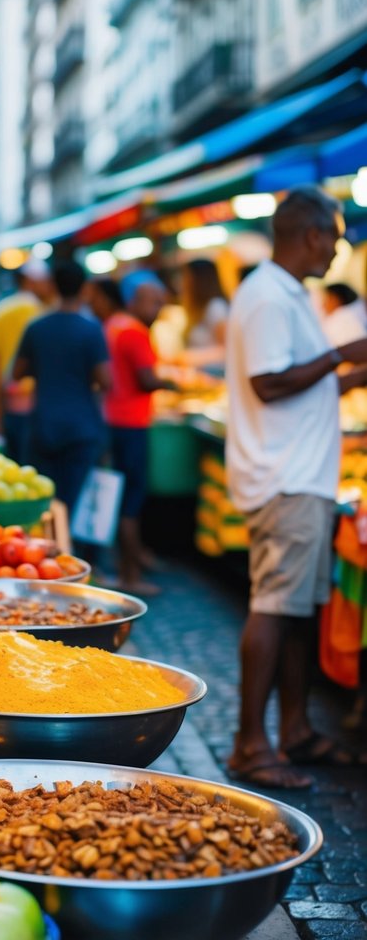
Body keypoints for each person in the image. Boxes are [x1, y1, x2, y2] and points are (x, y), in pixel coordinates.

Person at [225, 186, 367, 789]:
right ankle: (250, 745)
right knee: (274, 609)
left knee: (296, 615)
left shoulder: (289, 295)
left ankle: (295, 731)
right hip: (283, 479)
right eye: (333, 239)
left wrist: (351, 369)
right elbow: (268, 383)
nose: (336, 253)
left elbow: (301, 386)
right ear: (309, 234)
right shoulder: (268, 296)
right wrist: (341, 352)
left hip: (303, 476)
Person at [89, 273, 172, 594]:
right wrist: (172, 381)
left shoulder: (115, 326)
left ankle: (129, 563)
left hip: (112, 419)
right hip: (130, 422)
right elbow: (147, 379)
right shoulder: (134, 332)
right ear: (134, 300)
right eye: (154, 301)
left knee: (120, 494)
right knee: (130, 500)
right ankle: (130, 574)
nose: (159, 308)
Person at [13, 260, 110, 518]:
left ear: (54, 286)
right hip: (81, 427)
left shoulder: (36, 327)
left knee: (43, 501)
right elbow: (107, 381)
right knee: (72, 502)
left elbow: (16, 373)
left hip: (43, 424)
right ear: (84, 288)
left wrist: (44, 367)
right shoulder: (92, 330)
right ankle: (69, 552)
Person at [0, 260, 52, 464]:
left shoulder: (1, 311)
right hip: (39, 402)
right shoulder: (43, 312)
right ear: (32, 281)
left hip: (10, 400)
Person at [177, 258, 229, 369]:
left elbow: (226, 349)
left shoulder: (216, 307)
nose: (182, 282)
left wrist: (189, 357)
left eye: (186, 277)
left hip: (216, 376)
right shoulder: (200, 309)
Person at [321, 282, 367, 348]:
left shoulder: (340, 319)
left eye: (326, 298)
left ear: (335, 298)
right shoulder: (351, 315)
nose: (323, 304)